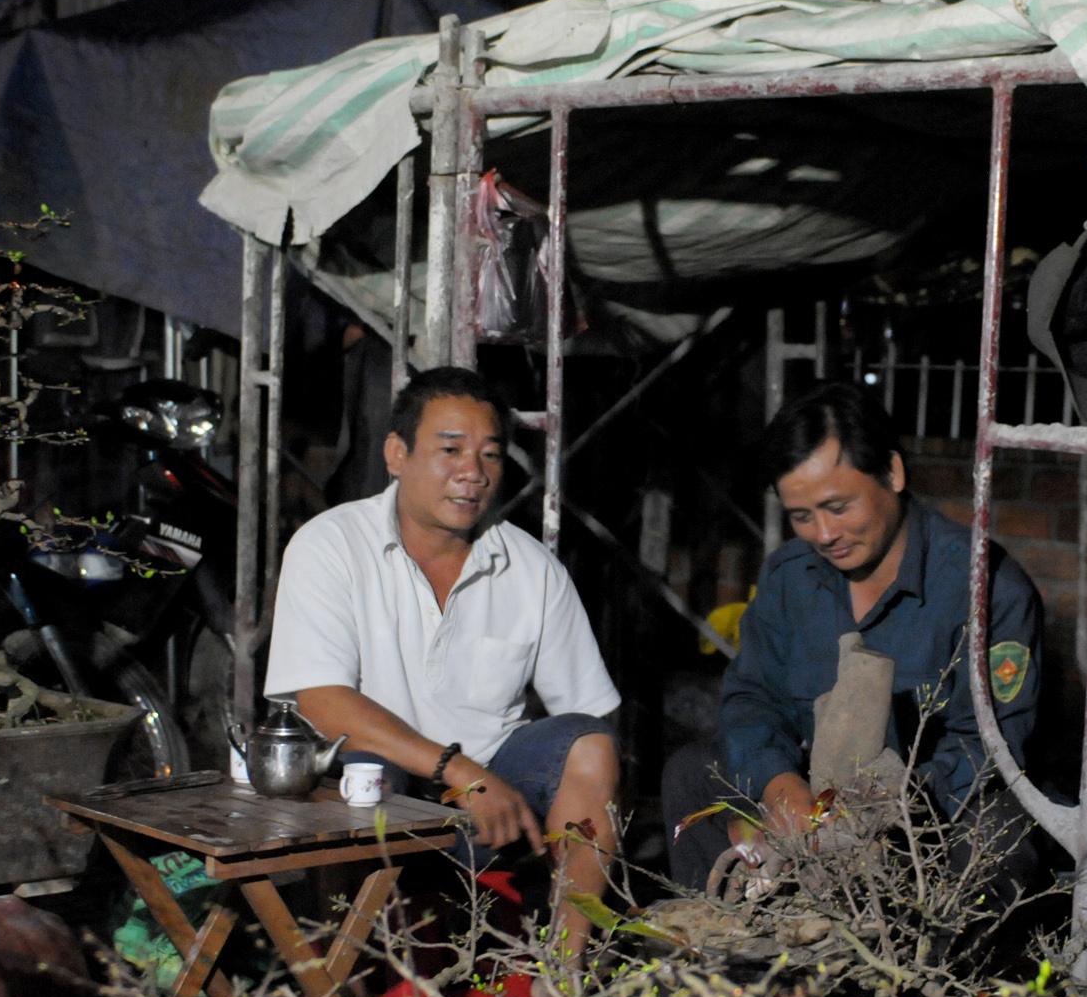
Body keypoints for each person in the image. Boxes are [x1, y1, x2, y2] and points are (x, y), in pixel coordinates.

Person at [265, 366, 622, 956]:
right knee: (367, 766)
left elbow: (589, 722)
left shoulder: (530, 569)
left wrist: (493, 783)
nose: (473, 474)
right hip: (378, 798)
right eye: (450, 449)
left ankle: (567, 968)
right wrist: (460, 771)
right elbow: (321, 701)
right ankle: (351, 973)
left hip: (495, 808)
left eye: (490, 455)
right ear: (396, 454)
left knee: (592, 745)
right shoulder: (331, 544)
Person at [663, 381, 1044, 894]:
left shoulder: (986, 586)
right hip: (806, 805)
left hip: (926, 816)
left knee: (997, 834)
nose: (823, 534)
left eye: (838, 507)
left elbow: (992, 744)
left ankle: (922, 968)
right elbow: (751, 699)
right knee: (692, 774)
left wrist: (884, 810)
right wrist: (780, 788)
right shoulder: (788, 579)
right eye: (802, 516)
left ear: (892, 472)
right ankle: (735, 953)